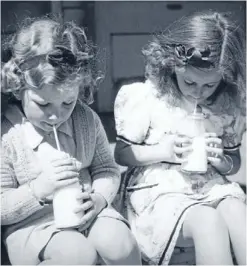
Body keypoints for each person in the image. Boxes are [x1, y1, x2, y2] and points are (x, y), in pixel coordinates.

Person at [1, 16, 141, 265]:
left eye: (68, 102)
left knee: (120, 243)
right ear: (18, 87)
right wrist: (39, 190)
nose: (56, 115)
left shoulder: (85, 120)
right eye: (43, 104)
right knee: (77, 254)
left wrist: (98, 199)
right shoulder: (7, 136)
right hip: (35, 226)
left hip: (87, 212)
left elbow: (107, 170)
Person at [114, 11, 246, 265]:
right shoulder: (149, 98)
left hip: (209, 185)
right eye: (190, 81)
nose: (198, 92)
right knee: (208, 222)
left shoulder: (225, 105)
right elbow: (122, 153)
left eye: (209, 85)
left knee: (238, 212)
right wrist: (162, 151)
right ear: (171, 63)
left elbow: (234, 162)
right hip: (162, 192)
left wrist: (220, 160)